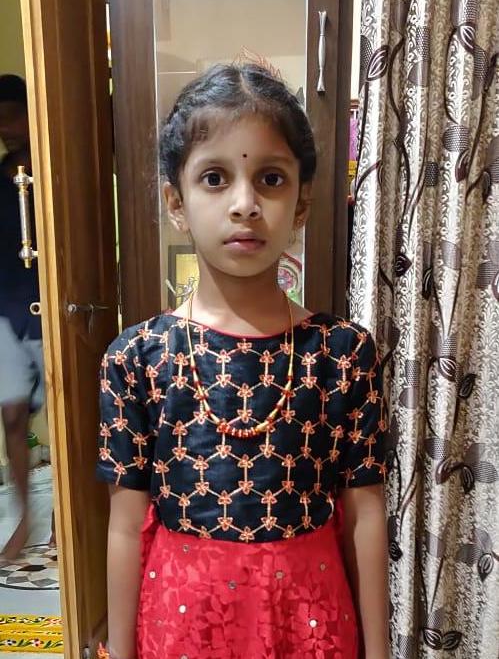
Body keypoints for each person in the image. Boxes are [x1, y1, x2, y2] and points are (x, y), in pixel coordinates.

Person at [97, 64, 390, 659]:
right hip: (183, 627)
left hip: (311, 625)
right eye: (214, 178)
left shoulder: (343, 353)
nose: (245, 204)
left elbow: (365, 518)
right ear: (176, 203)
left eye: (271, 179)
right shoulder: (137, 358)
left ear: (301, 204)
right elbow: (126, 527)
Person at [0, 75, 45, 560]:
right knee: (12, 416)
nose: (6, 129)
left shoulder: (53, 177)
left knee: (71, 417)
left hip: (51, 308)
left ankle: (67, 523)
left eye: (13, 117)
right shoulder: (1, 179)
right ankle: (25, 519)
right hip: (5, 312)